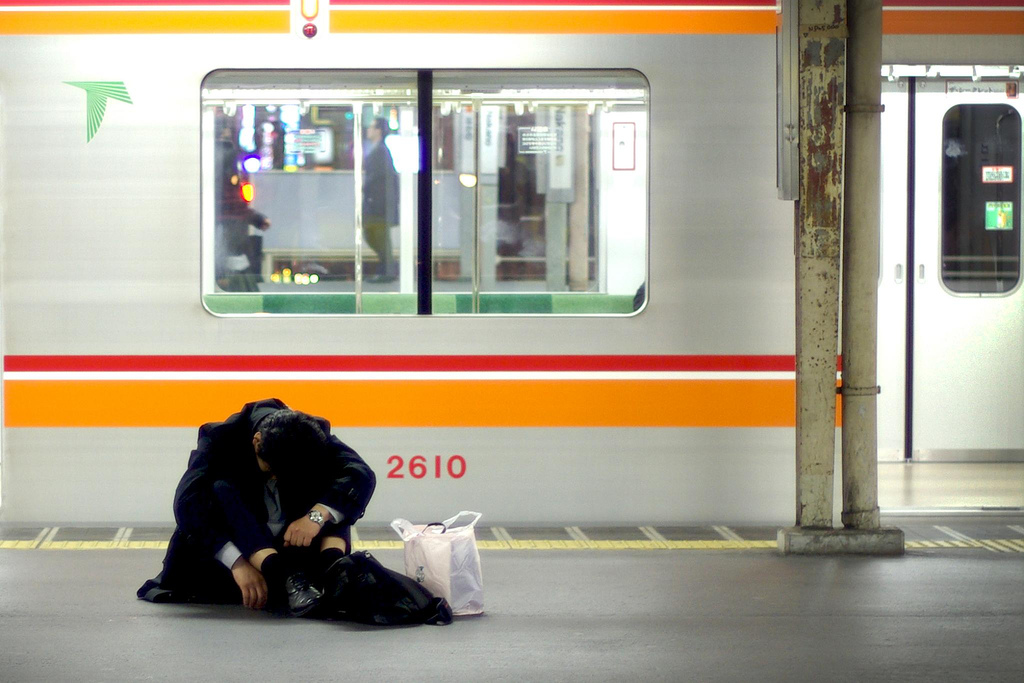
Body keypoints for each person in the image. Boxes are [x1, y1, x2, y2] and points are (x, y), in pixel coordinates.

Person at [137, 399, 376, 617]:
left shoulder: (311, 435)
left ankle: (333, 572)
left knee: (336, 492)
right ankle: (285, 577)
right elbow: (187, 504)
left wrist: (315, 517)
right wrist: (237, 563)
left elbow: (361, 474)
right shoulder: (219, 438)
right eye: (270, 469)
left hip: (296, 552)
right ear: (256, 440)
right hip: (227, 561)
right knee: (222, 487)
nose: (276, 480)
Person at [215, 124, 271, 292]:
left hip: (223, 235)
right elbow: (234, 205)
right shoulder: (227, 160)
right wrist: (257, 219)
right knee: (240, 282)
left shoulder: (214, 161)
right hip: (231, 234)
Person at [361, 117, 399, 283]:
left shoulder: (381, 152)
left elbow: (380, 179)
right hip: (377, 204)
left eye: (371, 127)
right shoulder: (378, 150)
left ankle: (388, 270)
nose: (368, 130)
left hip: (378, 205)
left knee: (378, 236)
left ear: (378, 131)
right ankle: (387, 269)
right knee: (375, 235)